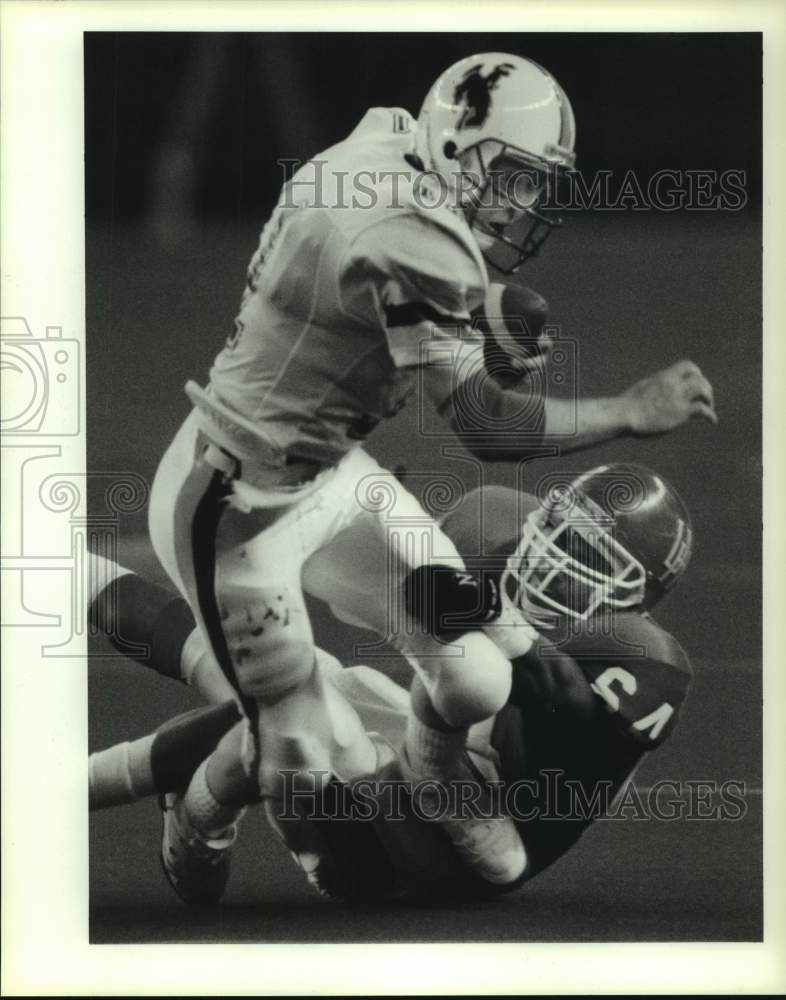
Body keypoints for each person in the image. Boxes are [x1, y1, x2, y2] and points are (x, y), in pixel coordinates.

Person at [144, 49, 716, 893]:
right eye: (516, 176)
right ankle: (196, 815)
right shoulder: (414, 240)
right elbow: (488, 425)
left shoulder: (384, 140)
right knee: (294, 758)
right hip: (236, 511)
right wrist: (630, 411)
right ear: (460, 148)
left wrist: (469, 323)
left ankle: (411, 766)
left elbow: (358, 297)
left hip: (327, 467)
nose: (525, 201)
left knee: (471, 669)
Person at [90, 463, 695, 903]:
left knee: (286, 722)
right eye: (560, 533)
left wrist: (500, 624)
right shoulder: (496, 524)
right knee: (307, 681)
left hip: (454, 853)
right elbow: (399, 584)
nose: (555, 561)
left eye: (589, 560)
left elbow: (570, 718)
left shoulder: (647, 658)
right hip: (426, 745)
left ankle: (198, 813)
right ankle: (75, 577)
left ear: (639, 596)